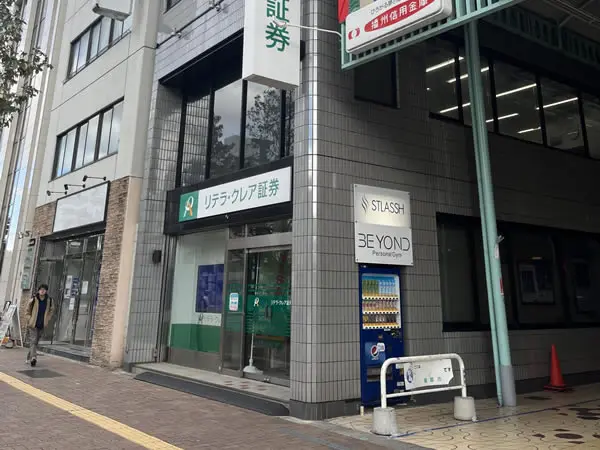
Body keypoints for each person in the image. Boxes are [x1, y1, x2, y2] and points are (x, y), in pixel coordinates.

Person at [24, 284, 54, 367]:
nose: (42, 291)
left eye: (44, 289)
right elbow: (27, 311)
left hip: (42, 324)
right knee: (33, 341)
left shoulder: (49, 300)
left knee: (35, 342)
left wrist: (47, 319)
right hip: (33, 324)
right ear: (38, 290)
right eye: (41, 289)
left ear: (46, 291)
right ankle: (34, 358)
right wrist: (30, 319)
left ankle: (29, 357)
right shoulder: (34, 299)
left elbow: (51, 310)